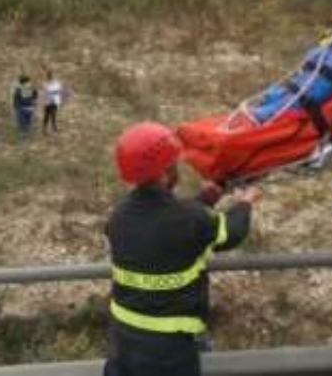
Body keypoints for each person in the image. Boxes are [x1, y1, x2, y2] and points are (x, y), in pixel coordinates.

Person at [105, 122, 262, 376]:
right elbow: (230, 233)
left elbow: (163, 222)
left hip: (122, 338)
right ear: (166, 171)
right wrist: (245, 204)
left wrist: (206, 199)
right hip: (168, 349)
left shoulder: (119, 215)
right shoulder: (187, 219)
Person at [42, 69, 64, 134]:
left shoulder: (56, 83)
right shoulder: (45, 83)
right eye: (49, 76)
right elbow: (45, 91)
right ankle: (45, 129)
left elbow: (59, 91)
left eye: (51, 75)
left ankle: (54, 128)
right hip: (48, 102)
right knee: (47, 115)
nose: (51, 77)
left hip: (54, 101)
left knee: (53, 115)